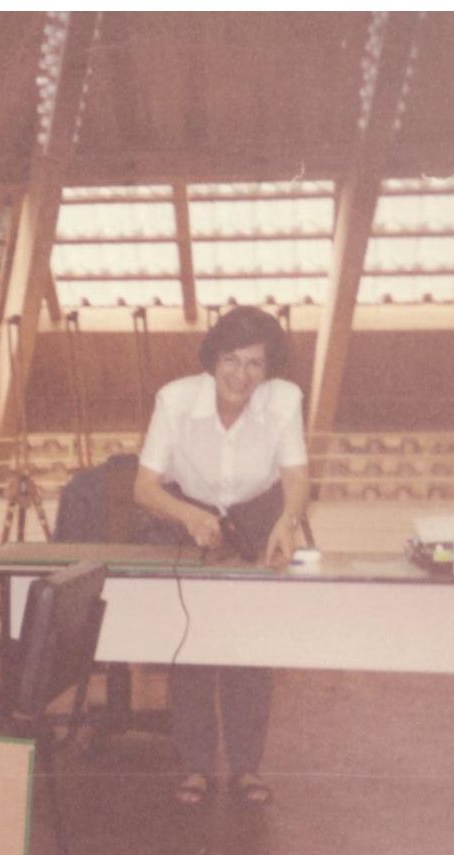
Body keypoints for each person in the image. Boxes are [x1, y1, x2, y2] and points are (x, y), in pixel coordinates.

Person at [130, 306, 311, 808]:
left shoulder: (285, 400)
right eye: (231, 360)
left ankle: (247, 767)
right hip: (189, 512)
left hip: (259, 513)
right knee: (192, 644)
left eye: (255, 364)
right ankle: (196, 767)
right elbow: (144, 487)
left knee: (249, 647)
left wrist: (288, 520)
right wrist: (189, 517)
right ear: (213, 359)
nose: (241, 375)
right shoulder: (174, 400)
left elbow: (296, 476)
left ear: (268, 368)